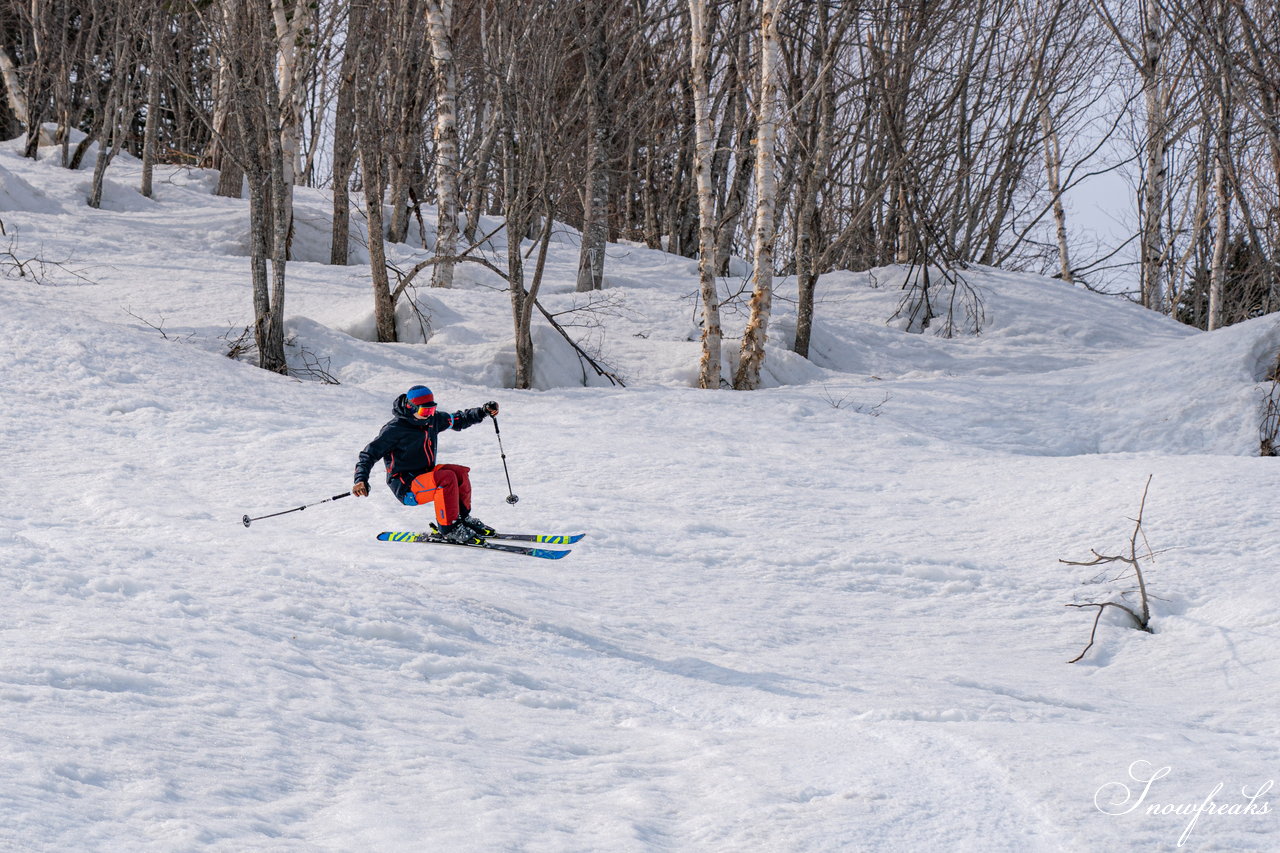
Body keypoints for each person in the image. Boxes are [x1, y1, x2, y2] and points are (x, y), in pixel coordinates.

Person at [353, 384, 500, 544]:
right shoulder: (394, 430)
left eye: (432, 409)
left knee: (459, 472)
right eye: (425, 411)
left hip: (425, 477)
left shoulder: (433, 420)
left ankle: (462, 519)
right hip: (406, 486)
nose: (429, 414)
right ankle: (449, 529)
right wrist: (360, 480)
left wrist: (482, 411)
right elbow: (368, 454)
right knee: (446, 478)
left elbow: (459, 419)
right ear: (411, 407)